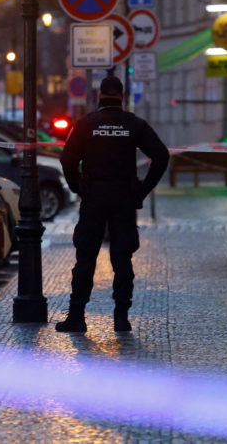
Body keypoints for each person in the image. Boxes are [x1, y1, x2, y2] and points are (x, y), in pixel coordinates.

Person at [56, 76, 169, 333]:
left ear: (99, 96)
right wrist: (143, 188)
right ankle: (121, 317)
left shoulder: (85, 124)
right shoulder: (134, 124)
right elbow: (161, 156)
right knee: (122, 258)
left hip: (94, 196)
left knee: (85, 257)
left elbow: (66, 159)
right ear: (123, 97)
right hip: (124, 198)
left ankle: (77, 316)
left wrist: (77, 186)